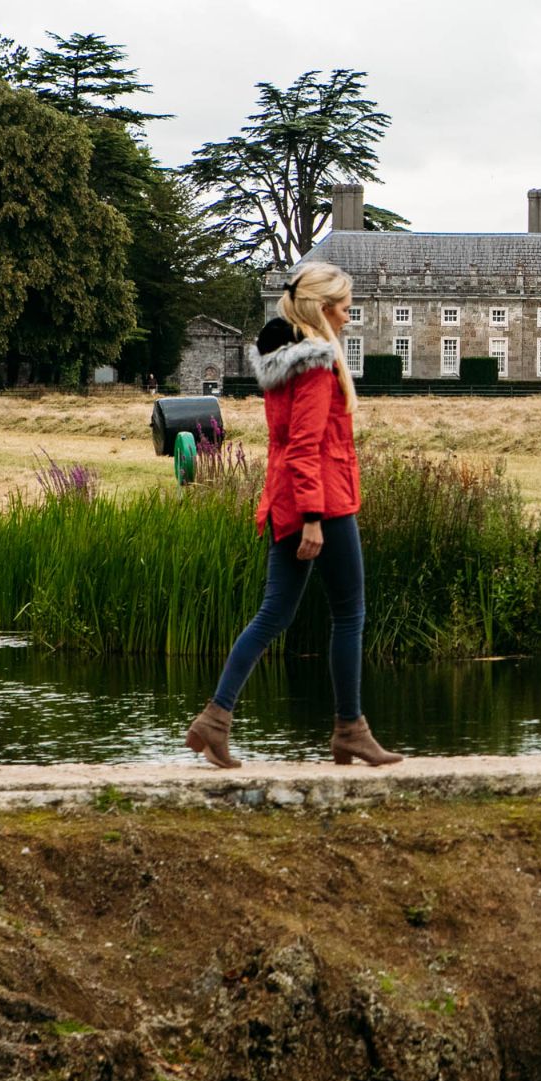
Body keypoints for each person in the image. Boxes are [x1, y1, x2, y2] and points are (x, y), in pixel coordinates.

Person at [185, 261, 400, 770]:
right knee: (349, 614)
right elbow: (306, 446)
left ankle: (214, 721)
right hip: (321, 501)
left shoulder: (283, 363)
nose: (350, 315)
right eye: (345, 306)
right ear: (322, 310)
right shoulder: (318, 366)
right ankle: (350, 729)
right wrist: (313, 517)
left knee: (273, 615)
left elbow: (289, 445)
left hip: (287, 496)